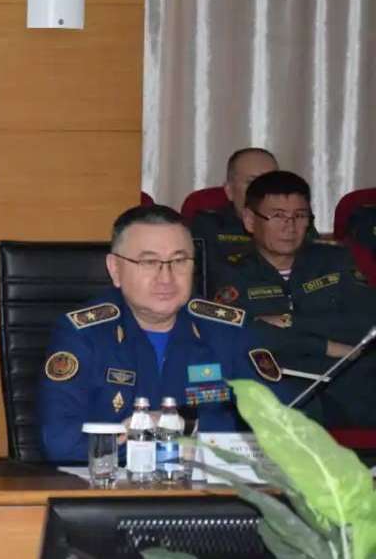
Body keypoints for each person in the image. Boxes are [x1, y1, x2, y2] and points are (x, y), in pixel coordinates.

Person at [39, 205, 283, 463]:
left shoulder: (227, 330)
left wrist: (183, 425)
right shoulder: (82, 334)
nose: (166, 277)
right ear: (115, 269)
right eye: (149, 262)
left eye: (179, 261)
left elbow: (283, 425)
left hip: (207, 496)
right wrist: (174, 441)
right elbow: (59, 442)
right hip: (116, 497)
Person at [209, 171, 376, 428]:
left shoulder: (336, 260)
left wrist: (289, 322)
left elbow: (365, 324)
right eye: (278, 216)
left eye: (299, 216)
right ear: (250, 220)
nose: (290, 226)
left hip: (349, 391)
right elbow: (239, 337)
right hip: (280, 391)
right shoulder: (230, 273)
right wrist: (326, 345)